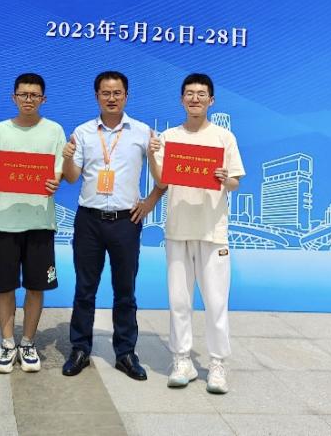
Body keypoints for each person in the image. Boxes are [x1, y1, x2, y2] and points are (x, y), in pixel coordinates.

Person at [138, 73, 245, 394]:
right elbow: (162, 180)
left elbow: (235, 182)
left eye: (201, 94)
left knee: (216, 302)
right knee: (179, 300)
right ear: (181, 99)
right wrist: (151, 154)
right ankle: (182, 360)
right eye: (189, 93)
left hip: (213, 231)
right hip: (178, 230)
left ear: (211, 100)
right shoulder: (169, 137)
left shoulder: (224, 137)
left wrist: (225, 178)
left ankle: (217, 364)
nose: (195, 98)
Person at [61, 71, 153, 381]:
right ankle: (80, 349)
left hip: (126, 221)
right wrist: (67, 158)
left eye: (117, 93)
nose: (111, 98)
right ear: (96, 96)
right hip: (89, 220)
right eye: (105, 93)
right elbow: (72, 177)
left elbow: (161, 175)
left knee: (125, 291)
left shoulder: (142, 132)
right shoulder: (83, 132)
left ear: (126, 95)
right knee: (84, 289)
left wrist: (149, 202)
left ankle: (125, 353)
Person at [0, 73, 65, 374]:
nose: (29, 99)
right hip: (6, 222)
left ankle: (27, 342)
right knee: (5, 286)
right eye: (23, 94)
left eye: (34, 95)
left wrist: (55, 181)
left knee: (36, 286)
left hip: (40, 221)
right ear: (14, 97)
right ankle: (7, 343)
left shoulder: (54, 130)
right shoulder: (0, 131)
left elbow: (58, 171)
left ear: (43, 99)